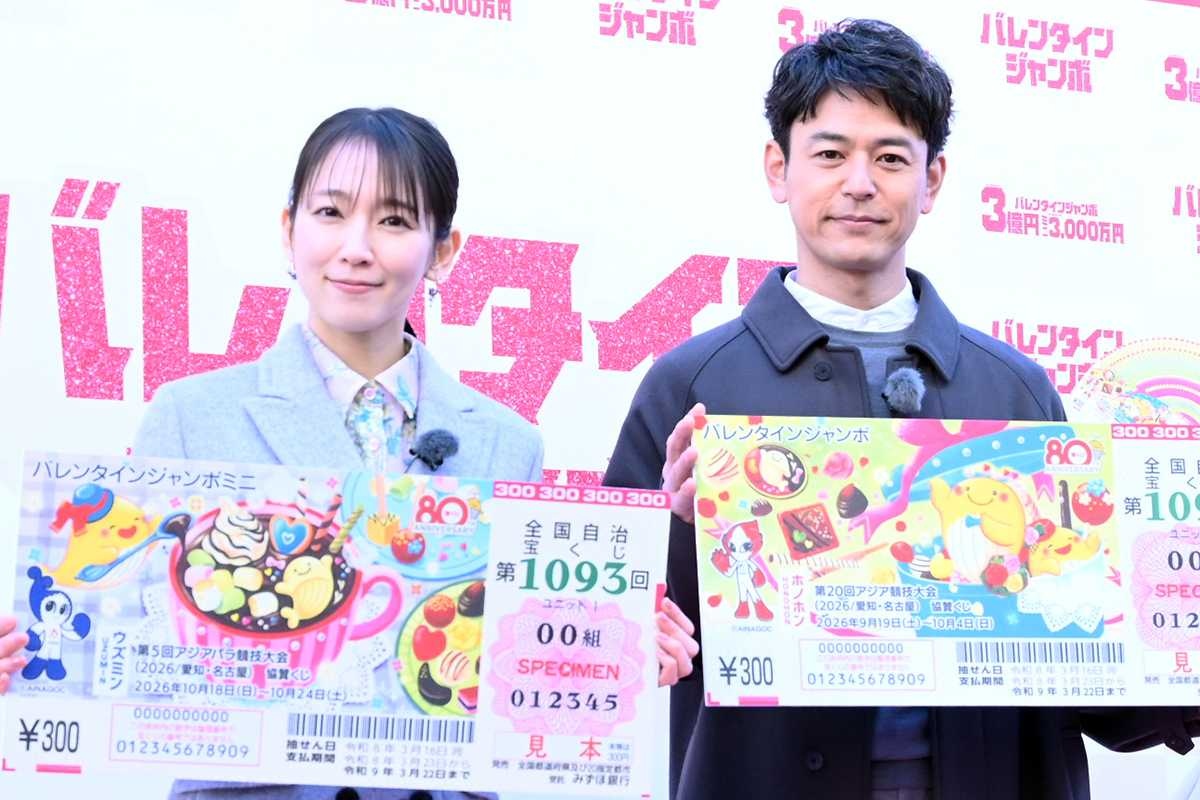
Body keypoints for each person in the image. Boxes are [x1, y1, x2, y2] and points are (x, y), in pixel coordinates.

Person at [0, 107, 697, 800]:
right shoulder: (191, 417)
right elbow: (129, 627)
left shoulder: (505, 443)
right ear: (289, 229)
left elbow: (511, 670)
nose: (356, 247)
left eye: (393, 220)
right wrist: (29, 654)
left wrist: (613, 653)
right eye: (331, 212)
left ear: (444, 250)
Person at [603, 19, 1200, 800]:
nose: (860, 182)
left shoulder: (1014, 391)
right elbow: (606, 638)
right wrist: (676, 543)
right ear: (779, 167)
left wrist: (1174, 626)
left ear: (932, 179)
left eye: (890, 157)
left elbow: (1084, 658)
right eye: (830, 154)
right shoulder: (691, 386)